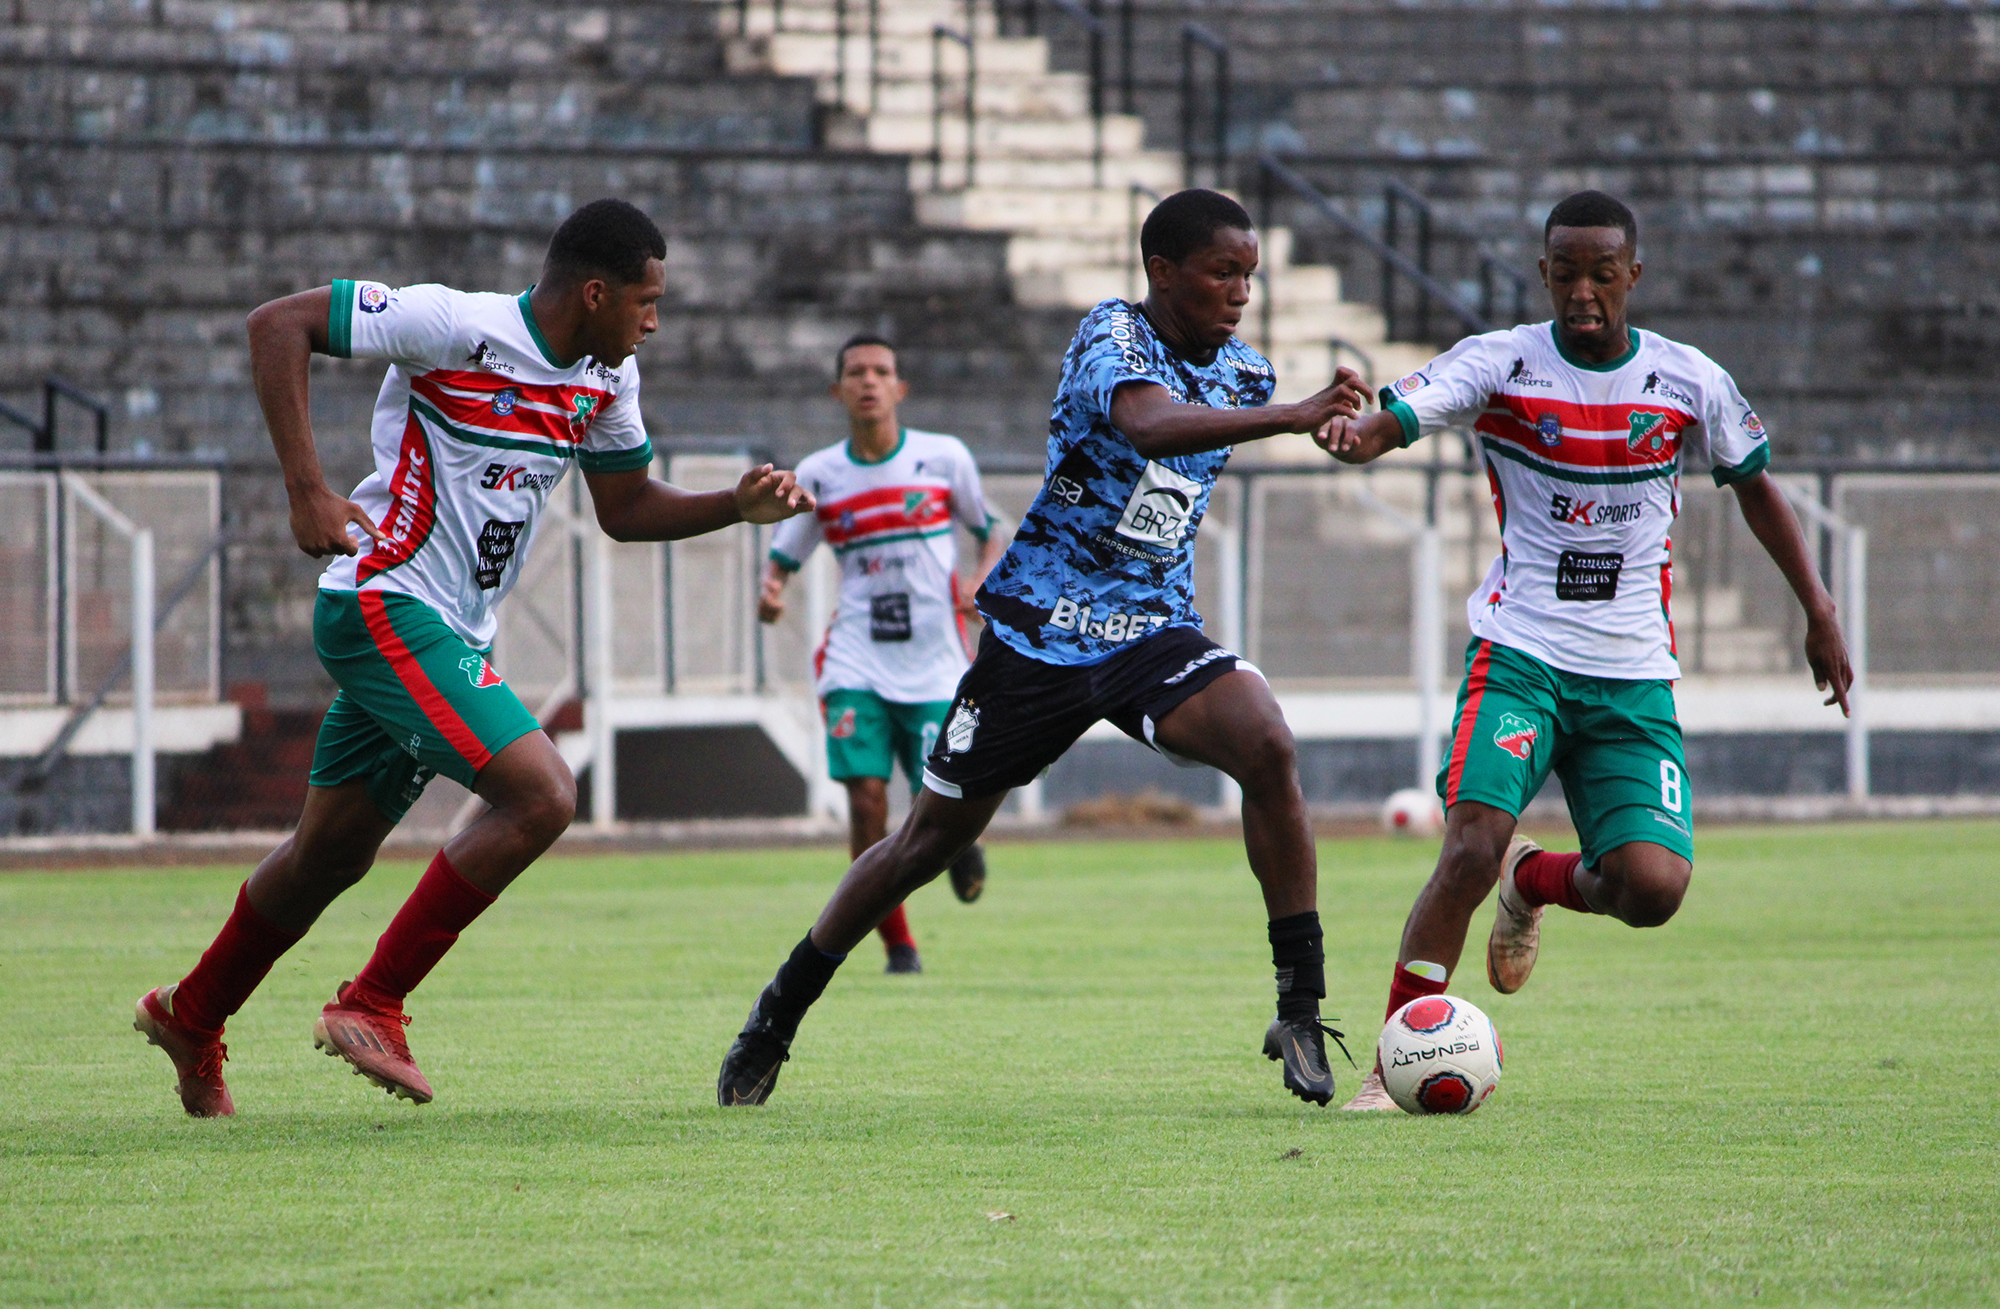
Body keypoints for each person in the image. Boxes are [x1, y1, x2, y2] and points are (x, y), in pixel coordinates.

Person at [134, 199, 814, 1117]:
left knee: (325, 857)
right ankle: (373, 1000)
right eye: (647, 302)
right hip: (383, 603)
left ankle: (195, 1011)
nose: (654, 322)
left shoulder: (607, 382)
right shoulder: (455, 325)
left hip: (451, 633)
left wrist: (735, 506)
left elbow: (626, 508)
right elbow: (278, 325)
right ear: (596, 291)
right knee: (542, 792)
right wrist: (307, 489)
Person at [717, 188, 1370, 1109]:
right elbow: (1145, 423)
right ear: (1162, 271)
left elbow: (1283, 427)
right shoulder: (1111, 335)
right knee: (924, 842)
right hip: (1040, 634)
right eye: (1223, 273)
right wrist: (1295, 416)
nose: (1240, 293)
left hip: (1149, 626)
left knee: (1267, 740)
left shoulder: (1248, 375)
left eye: (1250, 276)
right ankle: (778, 1012)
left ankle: (1300, 1004)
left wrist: (1347, 428)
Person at [1314, 190, 1854, 1111]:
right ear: (1544, 273)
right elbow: (1405, 412)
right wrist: (1357, 434)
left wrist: (1818, 606)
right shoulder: (1505, 362)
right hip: (1520, 654)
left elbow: (1756, 487)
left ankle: (1537, 879)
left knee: (1651, 888)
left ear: (1633, 274)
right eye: (1566, 273)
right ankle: (1393, 1053)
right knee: (1468, 846)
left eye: (1603, 273)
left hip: (1632, 673)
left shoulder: (1689, 380)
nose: (1584, 292)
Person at [757, 335, 1007, 974]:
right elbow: (785, 555)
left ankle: (956, 849)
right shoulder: (820, 474)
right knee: (867, 800)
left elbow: (991, 533)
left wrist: (982, 582)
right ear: (838, 391)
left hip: (933, 663)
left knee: (938, 807)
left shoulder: (944, 458)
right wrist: (772, 591)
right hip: (856, 658)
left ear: (900, 388)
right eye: (855, 373)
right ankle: (899, 944)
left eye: (881, 371)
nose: (868, 381)